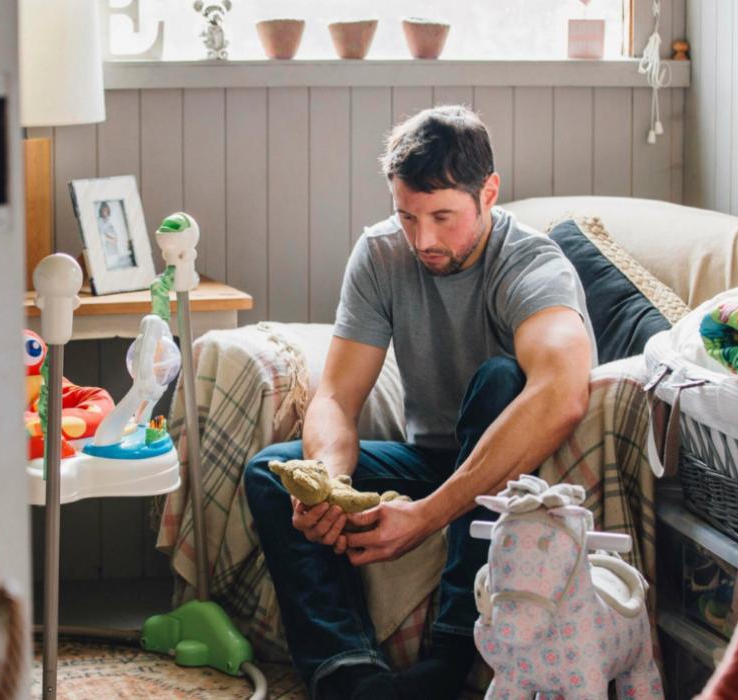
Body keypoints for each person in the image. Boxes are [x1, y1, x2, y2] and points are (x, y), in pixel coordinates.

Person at [243, 105, 596, 700]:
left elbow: (562, 394)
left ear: (489, 193)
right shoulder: (381, 255)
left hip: (518, 469)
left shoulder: (532, 264)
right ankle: (348, 675)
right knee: (273, 473)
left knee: (501, 379)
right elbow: (335, 395)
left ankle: (450, 657)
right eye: (407, 216)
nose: (423, 239)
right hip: (429, 456)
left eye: (443, 217)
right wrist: (328, 479)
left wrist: (429, 515)